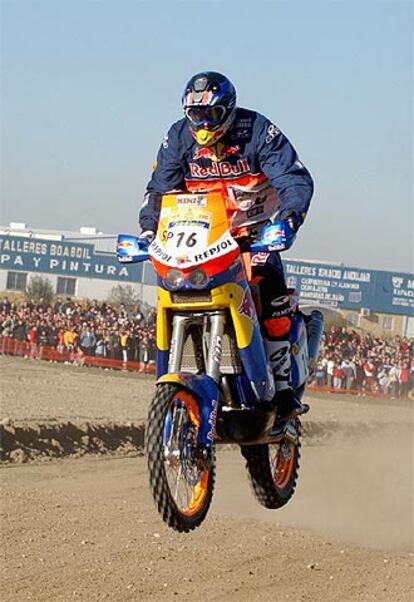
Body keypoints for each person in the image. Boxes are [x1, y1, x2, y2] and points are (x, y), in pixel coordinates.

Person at [138, 71, 314, 426]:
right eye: (195, 115)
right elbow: (159, 189)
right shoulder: (177, 137)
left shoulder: (258, 132)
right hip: (203, 239)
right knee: (174, 290)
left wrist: (290, 218)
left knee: (270, 295)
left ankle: (282, 392)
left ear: (229, 111)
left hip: (252, 233)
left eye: (212, 115)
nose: (203, 125)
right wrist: (147, 229)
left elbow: (293, 178)